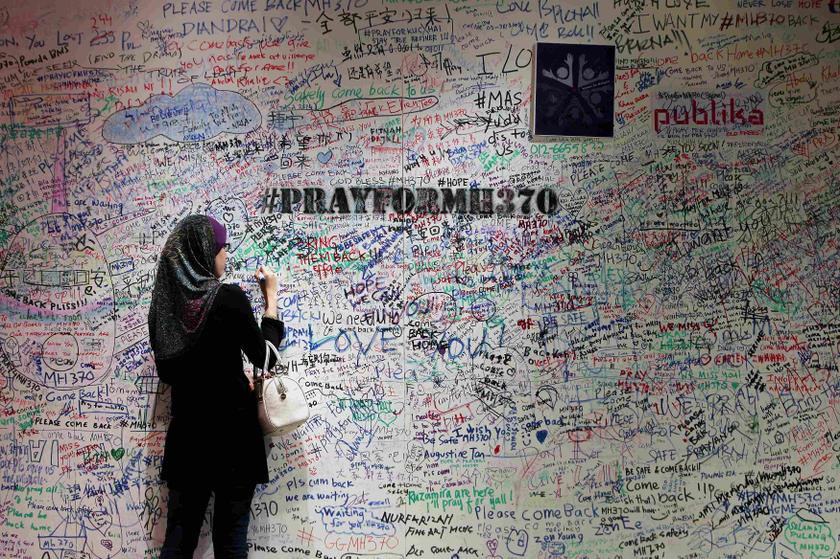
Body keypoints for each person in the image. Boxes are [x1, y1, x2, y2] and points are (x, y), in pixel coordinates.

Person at [148, 214, 284, 558]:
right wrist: (271, 301)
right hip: (234, 439)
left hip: (188, 440)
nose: (226, 255)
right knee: (231, 540)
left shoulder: (165, 310)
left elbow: (168, 373)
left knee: (178, 539)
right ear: (205, 252)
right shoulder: (228, 298)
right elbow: (265, 358)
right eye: (223, 248)